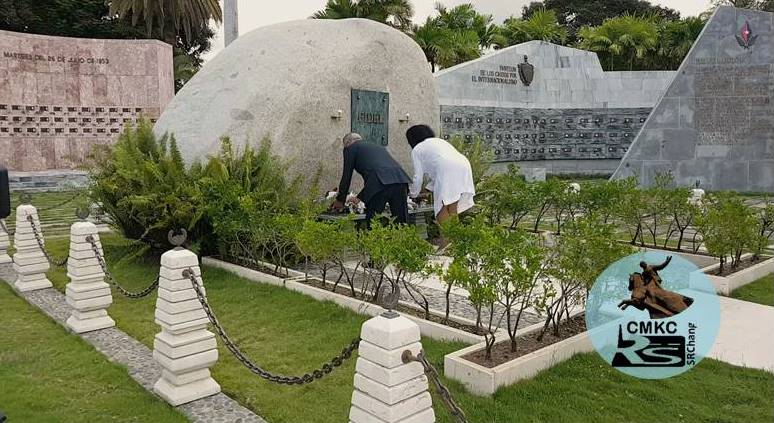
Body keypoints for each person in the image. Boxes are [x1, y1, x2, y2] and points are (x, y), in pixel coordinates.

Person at [332, 133, 411, 225]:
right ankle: (403, 239)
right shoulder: (377, 146)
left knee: (373, 220)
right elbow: (380, 170)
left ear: (348, 142)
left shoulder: (350, 148)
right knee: (401, 221)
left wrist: (340, 200)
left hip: (381, 184)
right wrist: (360, 197)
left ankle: (374, 239)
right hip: (400, 179)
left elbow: (347, 175)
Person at [406, 125, 475, 224]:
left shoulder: (417, 149)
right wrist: (427, 189)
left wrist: (413, 194)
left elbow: (418, 177)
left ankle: (445, 239)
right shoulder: (439, 141)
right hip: (463, 165)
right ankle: (455, 237)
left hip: (447, 168)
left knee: (441, 207)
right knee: (452, 206)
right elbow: (439, 172)